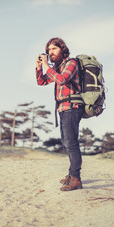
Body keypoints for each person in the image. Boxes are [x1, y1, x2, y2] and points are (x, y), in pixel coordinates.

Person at [35, 37, 83, 191]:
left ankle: (76, 178)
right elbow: (42, 82)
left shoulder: (71, 63)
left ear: (62, 49)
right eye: (49, 50)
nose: (51, 52)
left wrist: (47, 66)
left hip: (72, 106)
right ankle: (72, 174)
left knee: (71, 142)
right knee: (66, 142)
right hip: (62, 108)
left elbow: (62, 80)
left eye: (54, 49)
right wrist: (39, 68)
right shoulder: (57, 67)